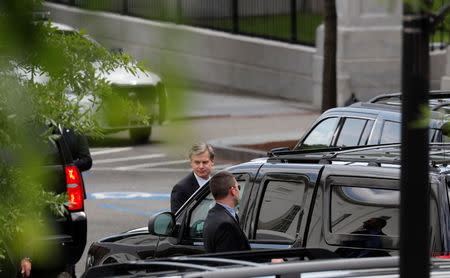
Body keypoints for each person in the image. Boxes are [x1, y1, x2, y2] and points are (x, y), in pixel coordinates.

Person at [202, 171, 250, 253]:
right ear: (232, 191)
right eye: (238, 187)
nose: (239, 190)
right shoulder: (225, 225)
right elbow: (231, 262)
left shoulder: (213, 214)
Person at [170, 142, 215, 213]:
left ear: (212, 161)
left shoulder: (218, 183)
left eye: (205, 162)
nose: (201, 166)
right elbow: (178, 220)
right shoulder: (181, 189)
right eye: (197, 162)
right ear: (191, 163)